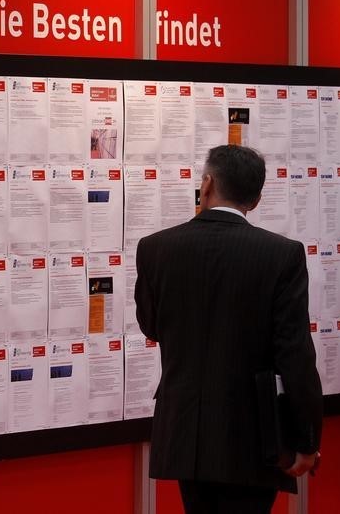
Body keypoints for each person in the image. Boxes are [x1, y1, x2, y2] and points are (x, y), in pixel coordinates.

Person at [135, 144, 323, 513]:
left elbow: (151, 326)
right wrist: (306, 438)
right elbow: (295, 353)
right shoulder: (281, 254)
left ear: (206, 184)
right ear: (255, 200)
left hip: (185, 430)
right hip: (255, 433)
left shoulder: (156, 248)